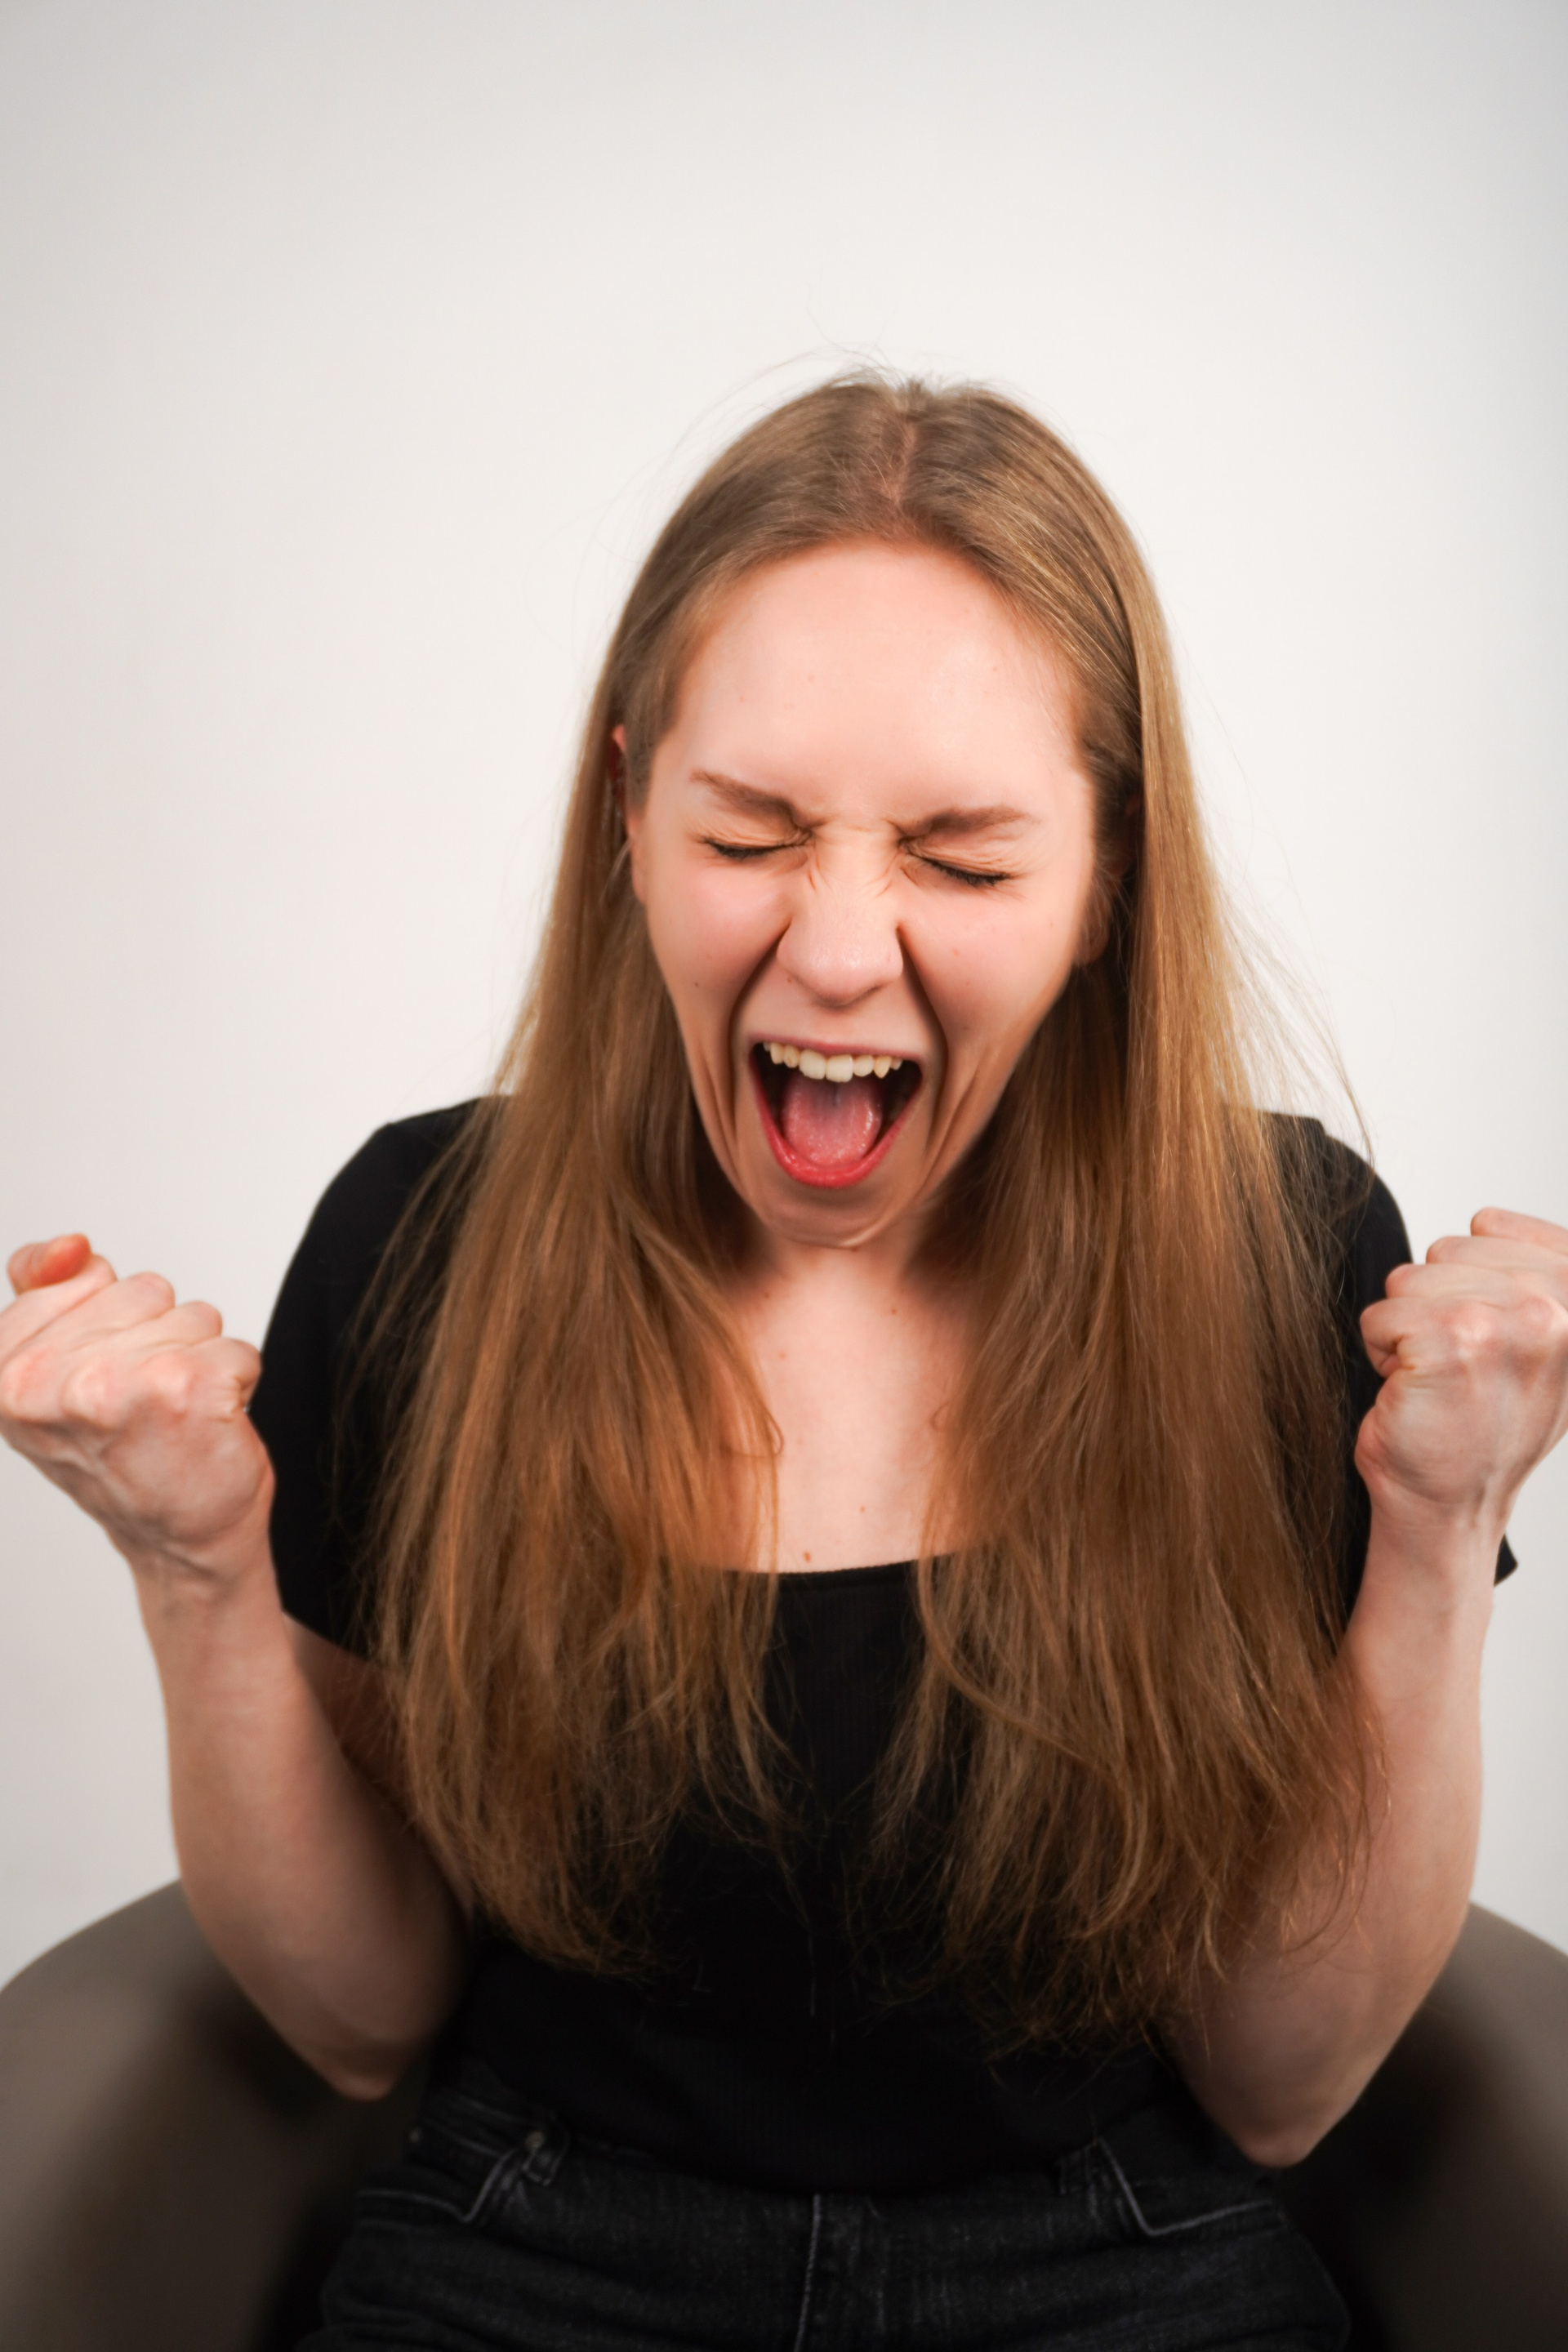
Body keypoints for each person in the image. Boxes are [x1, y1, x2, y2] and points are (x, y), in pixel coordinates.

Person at [2, 377, 1565, 2352]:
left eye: (964, 863)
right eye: (749, 832)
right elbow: (362, 2019)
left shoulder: (1283, 1257)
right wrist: (195, 1565)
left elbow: (1282, 2081)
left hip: (1115, 2258)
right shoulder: (423, 1243)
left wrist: (1439, 1524)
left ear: (1107, 880)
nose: (836, 952)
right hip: (535, 2245)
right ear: (628, 815)